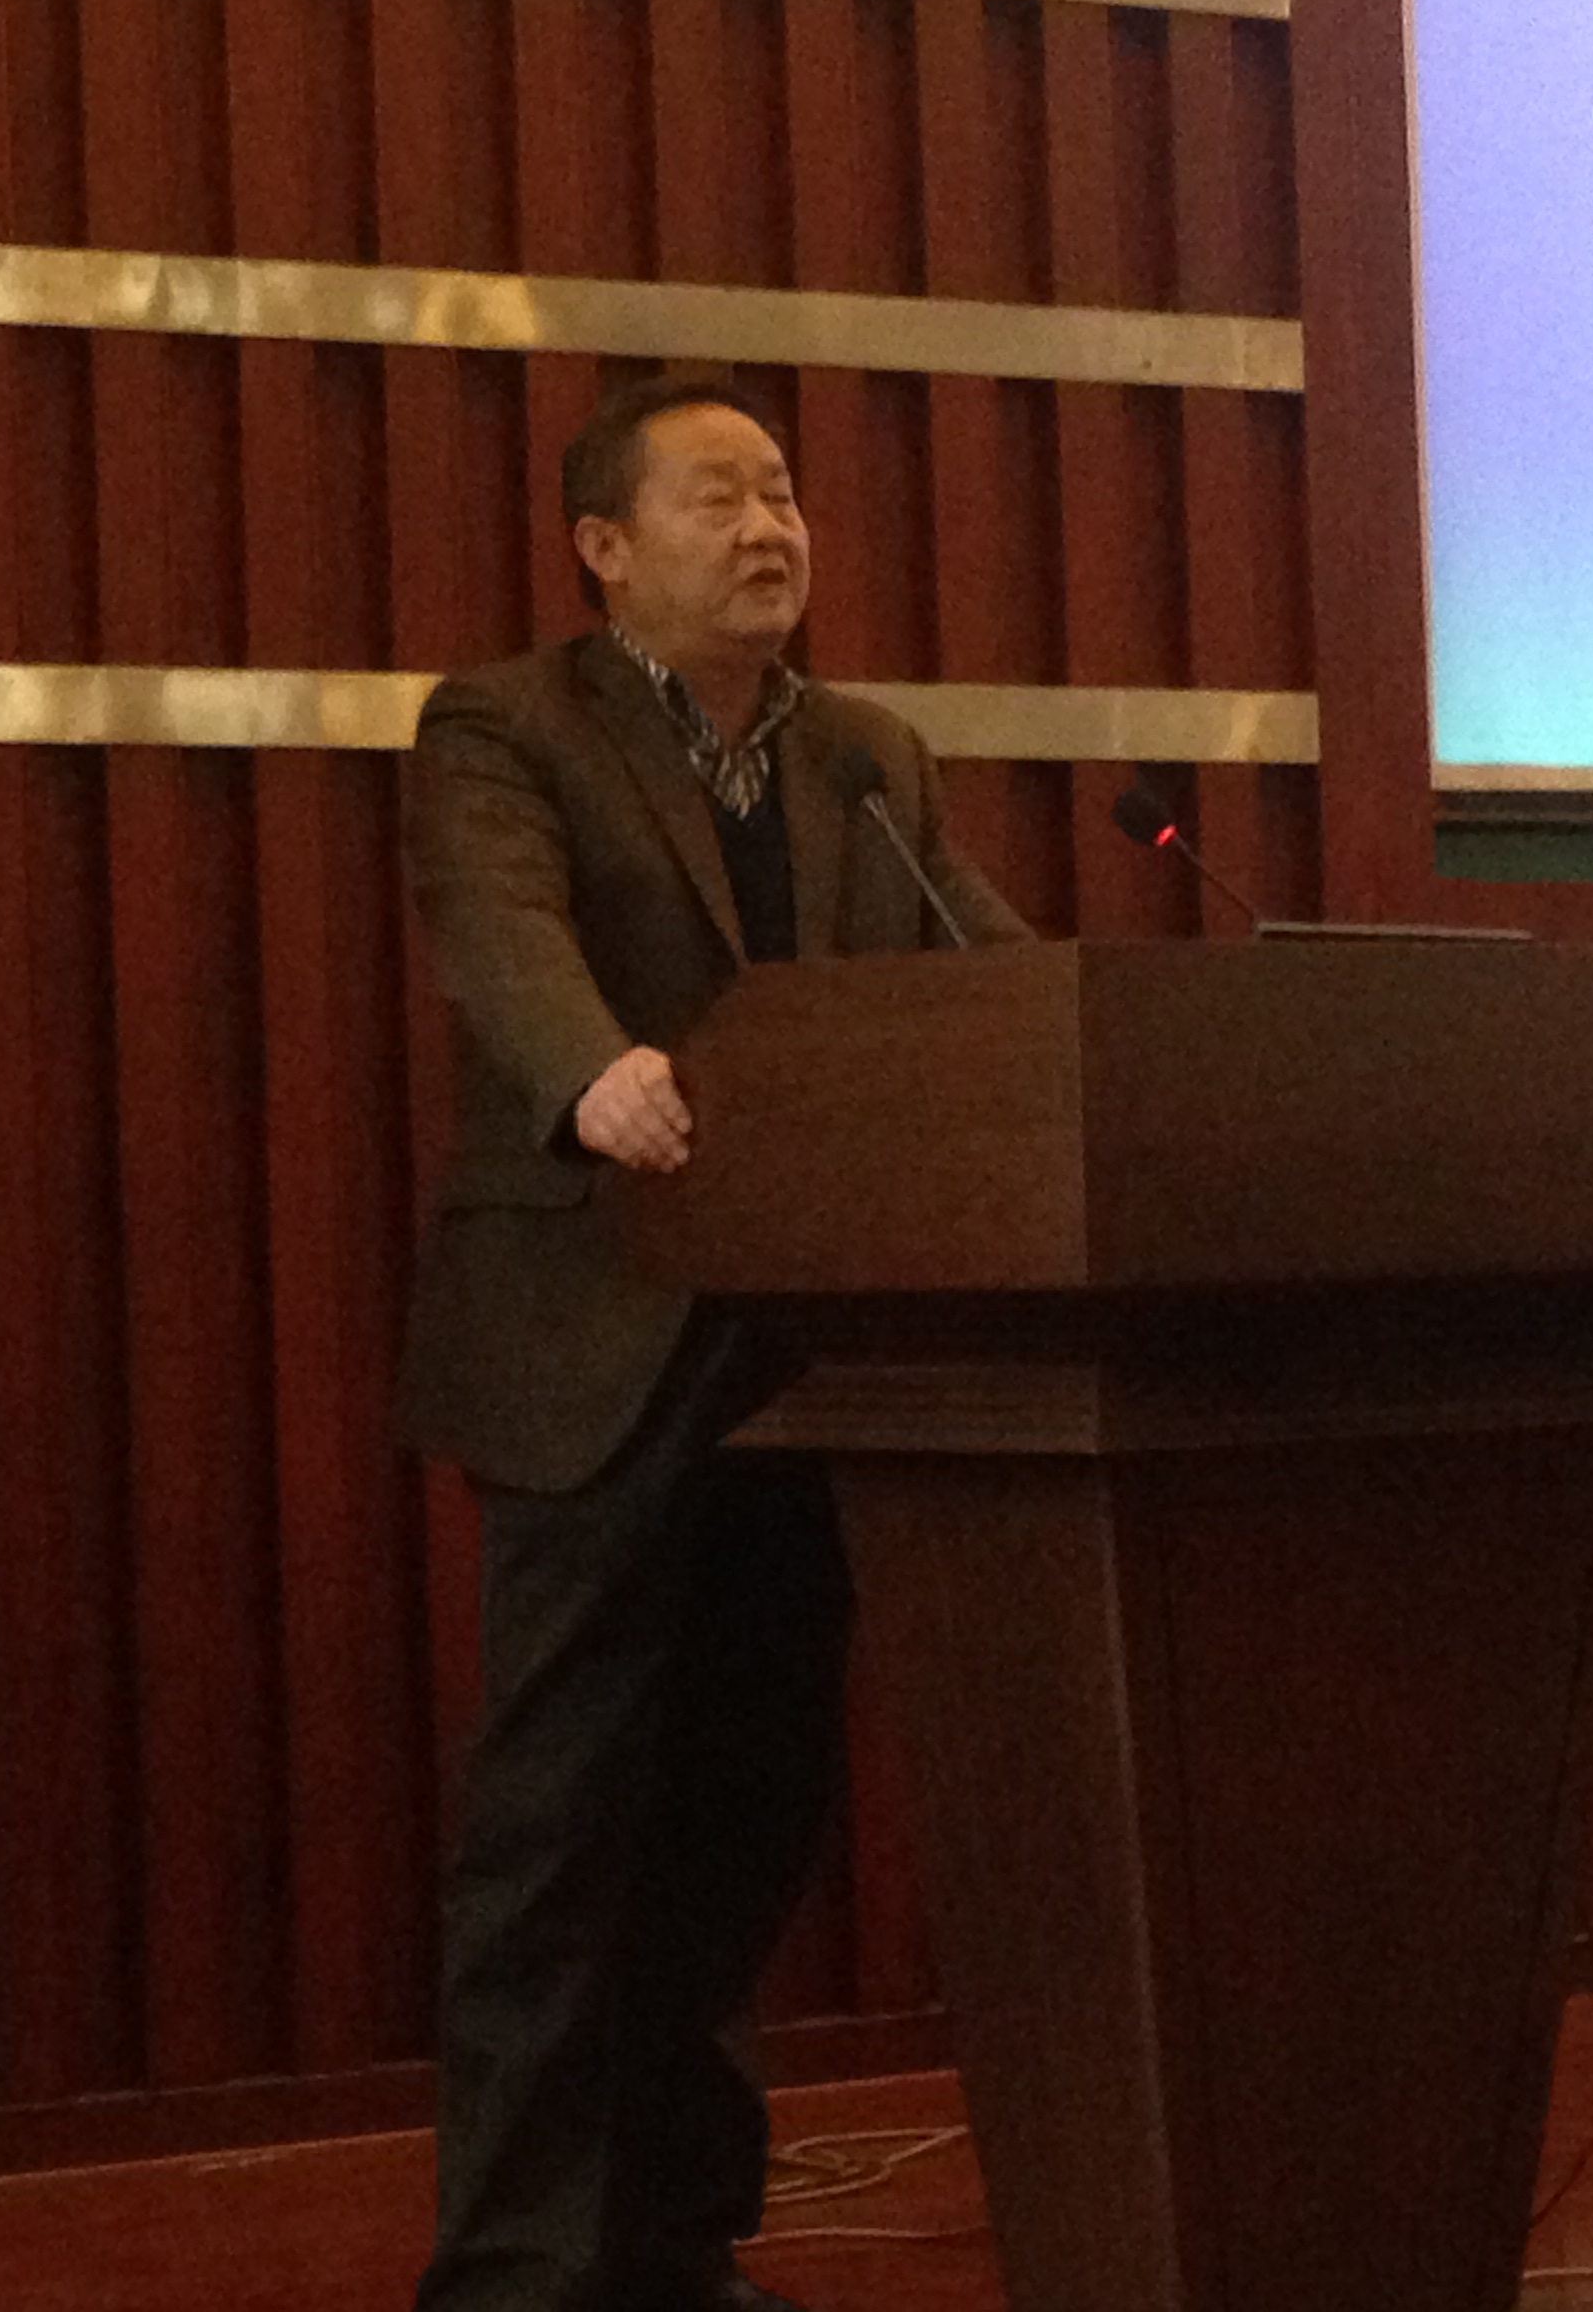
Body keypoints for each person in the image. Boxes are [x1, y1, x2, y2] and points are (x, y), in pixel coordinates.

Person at [397, 374, 1031, 2312]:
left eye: (784, 495)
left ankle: (672, 2255)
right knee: (559, 1835)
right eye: (719, 498)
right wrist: (591, 1070)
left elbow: (988, 976)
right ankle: (515, 2281)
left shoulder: (863, 756)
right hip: (596, 1337)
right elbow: (499, 929)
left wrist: (1138, 1061)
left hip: (802, 1353)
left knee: (738, 1826)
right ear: (604, 547)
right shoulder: (511, 725)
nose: (771, 529)